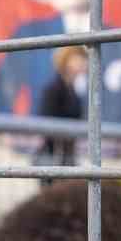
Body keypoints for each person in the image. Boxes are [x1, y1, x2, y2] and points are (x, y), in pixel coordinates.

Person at [34, 45, 87, 182]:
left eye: (83, 59)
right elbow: (46, 123)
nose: (83, 63)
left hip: (67, 157)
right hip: (53, 157)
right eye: (78, 58)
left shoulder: (74, 90)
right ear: (66, 61)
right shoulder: (53, 89)